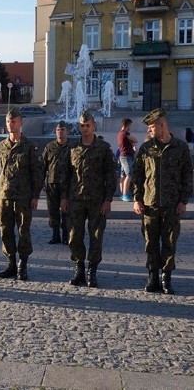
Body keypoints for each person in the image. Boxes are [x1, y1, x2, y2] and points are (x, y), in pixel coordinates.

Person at [132, 108, 193, 294]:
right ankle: (153, 276)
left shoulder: (180, 147)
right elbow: (138, 175)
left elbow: (187, 176)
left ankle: (166, 278)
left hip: (172, 205)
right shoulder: (146, 148)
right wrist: (137, 199)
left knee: (169, 242)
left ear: (162, 125)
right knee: (150, 241)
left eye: (151, 127)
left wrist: (183, 201)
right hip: (149, 204)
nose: (149, 131)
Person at [61, 111, 117, 288]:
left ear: (94, 126)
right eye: (82, 125)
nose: (84, 128)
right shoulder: (72, 148)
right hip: (75, 200)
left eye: (87, 125)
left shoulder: (103, 148)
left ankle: (92, 271)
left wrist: (108, 199)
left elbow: (111, 175)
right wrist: (63, 198)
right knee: (74, 236)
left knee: (96, 237)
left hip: (96, 200)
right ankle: (79, 269)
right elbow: (66, 175)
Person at [0, 108, 44, 281]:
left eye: (13, 121)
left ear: (21, 123)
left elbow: (37, 173)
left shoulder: (29, 146)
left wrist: (35, 196)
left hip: (23, 197)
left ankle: (23, 265)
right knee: (5, 231)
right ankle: (11, 263)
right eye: (8, 122)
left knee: (23, 231)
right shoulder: (1, 147)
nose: (10, 124)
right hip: (4, 196)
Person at [42, 120, 70, 245]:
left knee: (66, 211)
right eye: (58, 130)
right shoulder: (50, 147)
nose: (60, 132)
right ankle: (55, 235)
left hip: (67, 185)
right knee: (52, 211)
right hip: (52, 184)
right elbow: (43, 166)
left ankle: (65, 235)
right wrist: (41, 182)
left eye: (62, 130)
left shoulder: (72, 147)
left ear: (67, 132)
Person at [117, 118, 138, 202]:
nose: (130, 127)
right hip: (126, 156)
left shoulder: (120, 133)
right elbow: (136, 140)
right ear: (127, 125)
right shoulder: (125, 133)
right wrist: (132, 142)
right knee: (129, 175)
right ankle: (125, 194)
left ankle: (122, 193)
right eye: (130, 125)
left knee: (123, 175)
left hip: (122, 156)